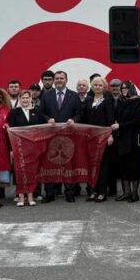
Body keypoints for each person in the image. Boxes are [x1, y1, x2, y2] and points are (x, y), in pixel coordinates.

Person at [39, 71, 83, 202]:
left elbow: (79, 113)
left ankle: (69, 193)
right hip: (50, 135)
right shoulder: (46, 95)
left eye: (61, 78)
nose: (59, 80)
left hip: (68, 136)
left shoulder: (74, 96)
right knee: (50, 164)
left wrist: (73, 120)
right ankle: (49, 194)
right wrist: (47, 119)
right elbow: (41, 113)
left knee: (68, 164)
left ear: (66, 80)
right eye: (57, 78)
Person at [80, 76, 117, 202]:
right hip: (91, 137)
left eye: (100, 85)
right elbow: (84, 118)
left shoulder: (108, 101)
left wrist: (110, 135)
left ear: (104, 87)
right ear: (92, 86)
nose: (97, 87)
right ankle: (93, 191)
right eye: (95, 85)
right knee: (91, 165)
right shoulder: (88, 100)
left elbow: (111, 119)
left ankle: (102, 192)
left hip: (103, 136)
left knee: (102, 165)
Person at [7, 89, 46, 206]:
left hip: (33, 147)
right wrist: (11, 149)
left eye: (27, 98)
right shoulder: (14, 112)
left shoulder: (37, 111)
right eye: (23, 98)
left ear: (30, 99)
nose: (25, 100)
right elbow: (9, 132)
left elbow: (41, 129)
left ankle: (30, 195)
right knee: (19, 171)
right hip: (18, 147)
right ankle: (20, 195)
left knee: (32, 171)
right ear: (19, 99)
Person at [114, 81, 140, 203]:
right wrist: (117, 123)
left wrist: (120, 125)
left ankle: (134, 193)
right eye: (122, 88)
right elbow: (117, 117)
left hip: (134, 138)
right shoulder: (120, 101)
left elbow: (138, 120)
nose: (124, 90)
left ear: (131, 89)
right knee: (124, 166)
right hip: (122, 138)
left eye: (126, 88)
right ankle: (126, 193)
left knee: (134, 166)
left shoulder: (138, 101)